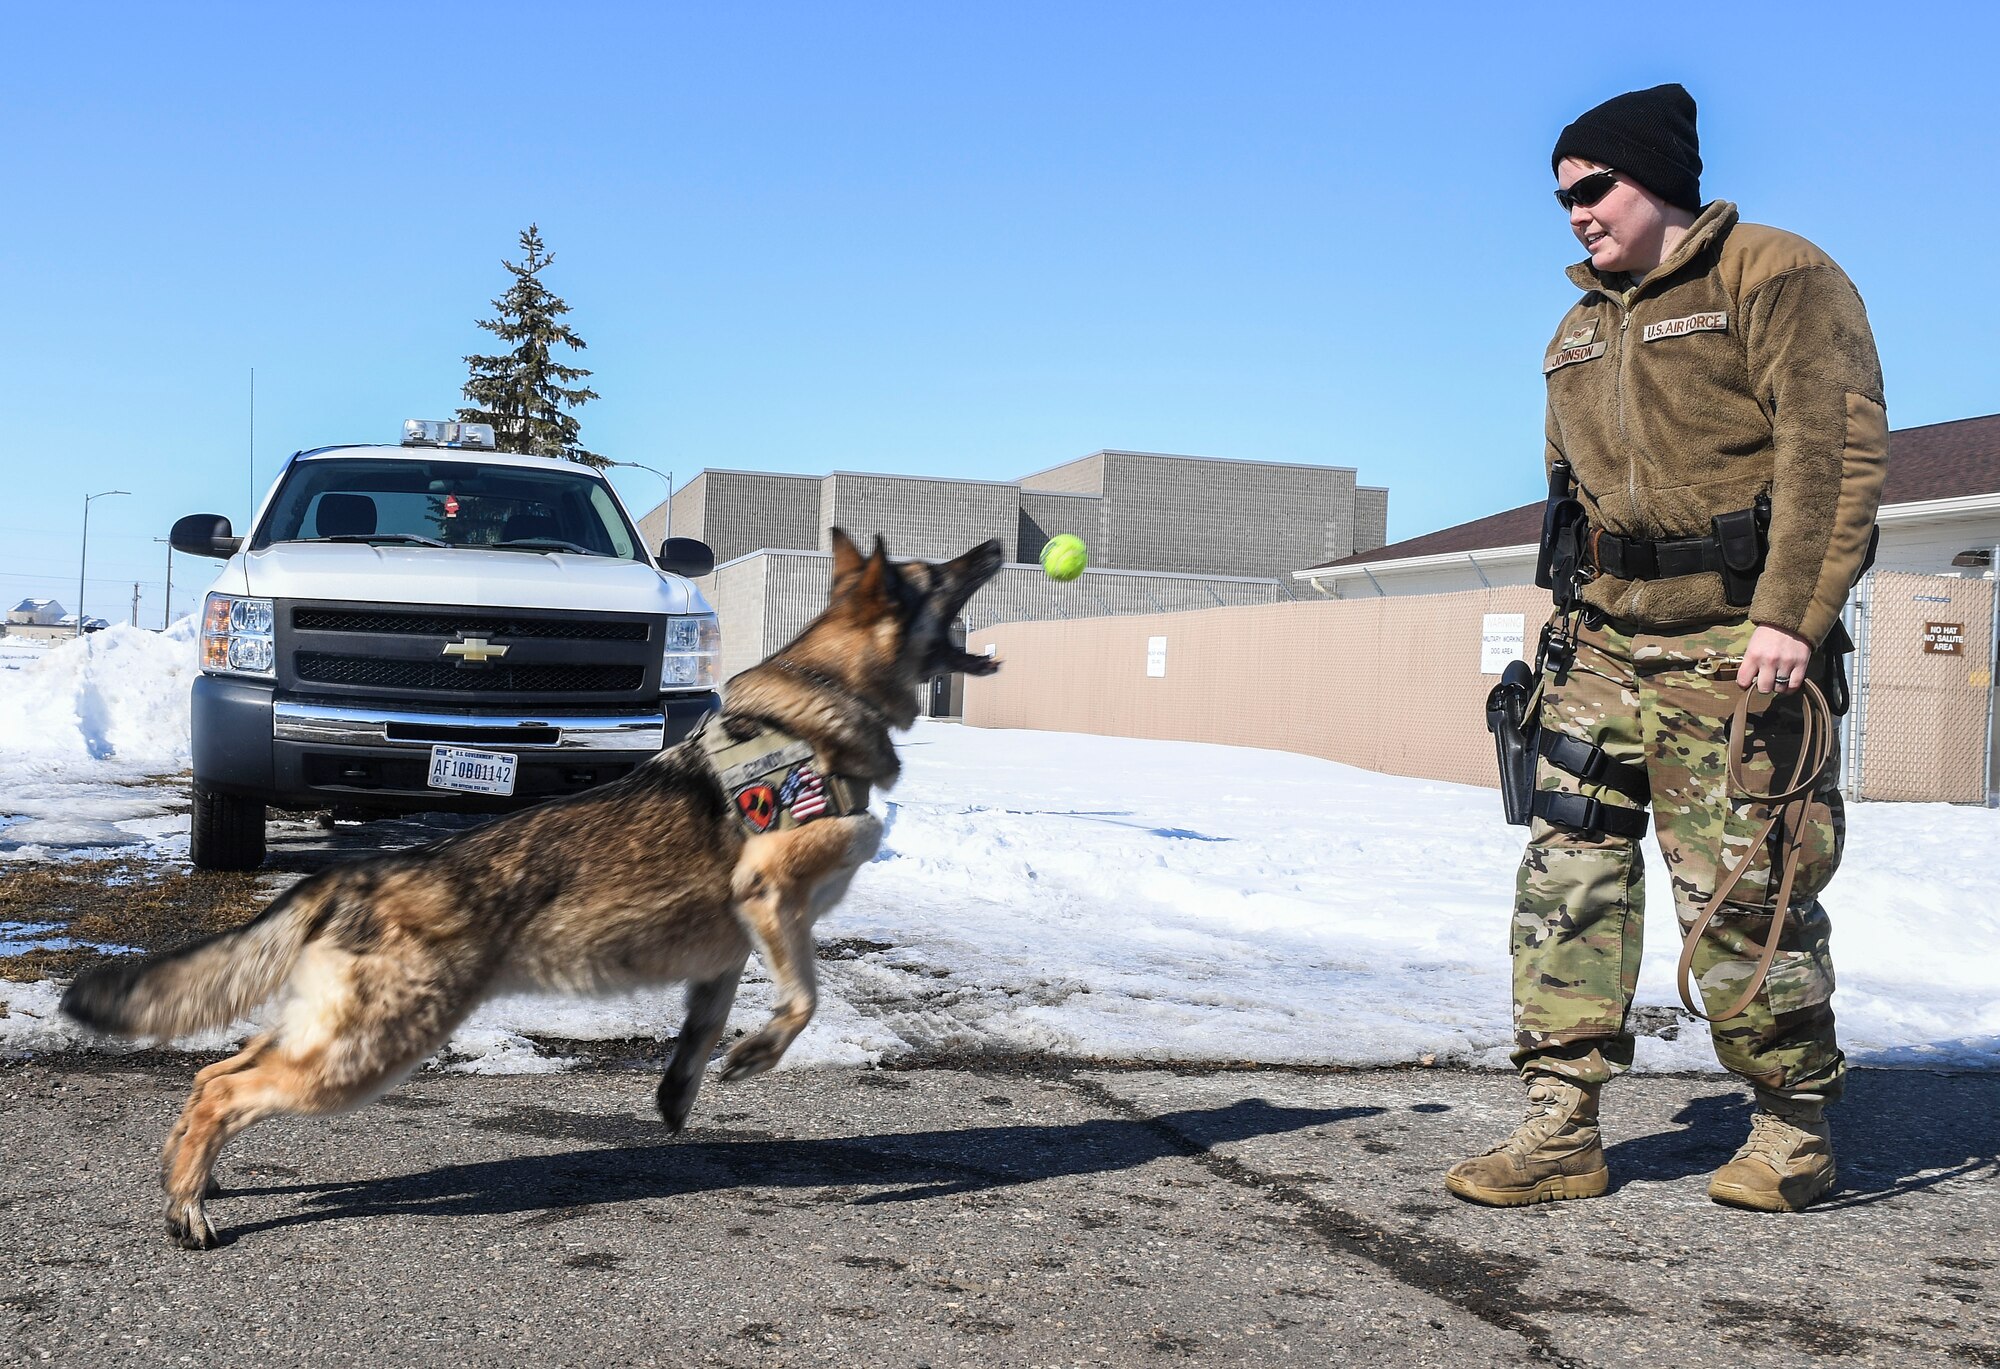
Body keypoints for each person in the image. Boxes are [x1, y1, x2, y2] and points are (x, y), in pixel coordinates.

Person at [1446, 83, 1887, 1213]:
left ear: (1656, 179)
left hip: (1736, 639)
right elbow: (1567, 494)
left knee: (1743, 892)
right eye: (1561, 198)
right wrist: (1565, 617)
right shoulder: (1578, 325)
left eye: (1593, 188)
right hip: (1601, 643)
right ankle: (1557, 1129)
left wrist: (1793, 614)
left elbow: (1830, 455)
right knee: (1566, 873)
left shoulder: (1774, 276)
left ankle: (1789, 1128)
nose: (1575, 213)